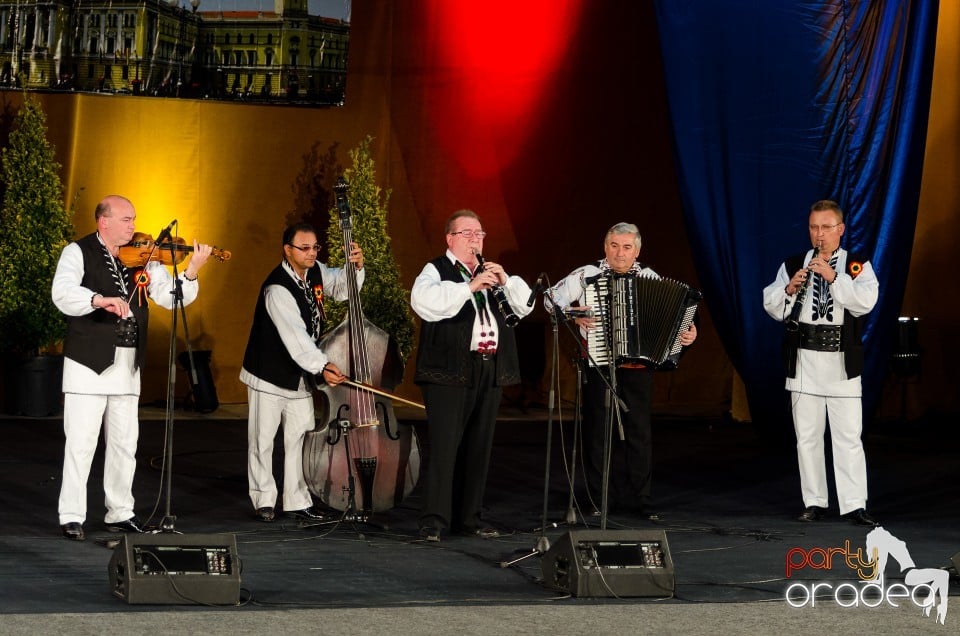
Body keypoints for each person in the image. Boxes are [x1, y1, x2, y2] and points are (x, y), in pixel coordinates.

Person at [51, 195, 213, 541]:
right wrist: (98, 299)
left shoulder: (146, 257)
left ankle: (120, 512)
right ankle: (72, 515)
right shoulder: (77, 252)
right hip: (88, 366)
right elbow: (62, 292)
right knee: (81, 444)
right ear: (103, 222)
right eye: (126, 219)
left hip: (127, 365)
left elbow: (171, 298)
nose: (133, 225)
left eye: (134, 218)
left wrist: (192, 270)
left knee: (125, 444)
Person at [546, 222, 697, 518]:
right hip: (599, 364)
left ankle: (641, 500)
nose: (620, 253)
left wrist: (689, 334)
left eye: (627, 247)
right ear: (605, 247)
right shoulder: (587, 274)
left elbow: (676, 318)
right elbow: (550, 298)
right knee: (597, 434)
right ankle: (597, 500)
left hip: (638, 366)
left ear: (637, 251)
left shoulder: (649, 278)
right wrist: (573, 314)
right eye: (614, 246)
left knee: (639, 434)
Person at [411, 209, 534, 542]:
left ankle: (470, 518)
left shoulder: (491, 272)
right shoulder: (434, 269)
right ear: (450, 238)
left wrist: (505, 281)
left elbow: (525, 306)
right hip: (447, 371)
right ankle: (434, 520)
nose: (476, 240)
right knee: (446, 447)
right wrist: (469, 286)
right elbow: (423, 302)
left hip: (488, 367)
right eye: (468, 234)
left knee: (478, 447)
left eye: (480, 234)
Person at [762, 199, 879, 526]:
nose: (820, 234)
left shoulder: (857, 266)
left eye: (827, 227)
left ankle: (855, 504)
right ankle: (814, 501)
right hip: (805, 362)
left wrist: (833, 277)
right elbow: (774, 307)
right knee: (808, 437)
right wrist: (789, 289)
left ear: (840, 229)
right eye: (814, 227)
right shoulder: (794, 263)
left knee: (848, 437)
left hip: (841, 365)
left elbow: (865, 303)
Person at [240, 222, 362, 522]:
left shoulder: (315, 270)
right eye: (304, 248)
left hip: (299, 376)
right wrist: (322, 366)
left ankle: (297, 499)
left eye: (315, 247)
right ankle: (264, 499)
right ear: (288, 250)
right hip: (268, 374)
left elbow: (341, 288)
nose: (311, 253)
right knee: (262, 441)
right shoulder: (277, 288)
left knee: (301, 438)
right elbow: (295, 337)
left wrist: (354, 268)